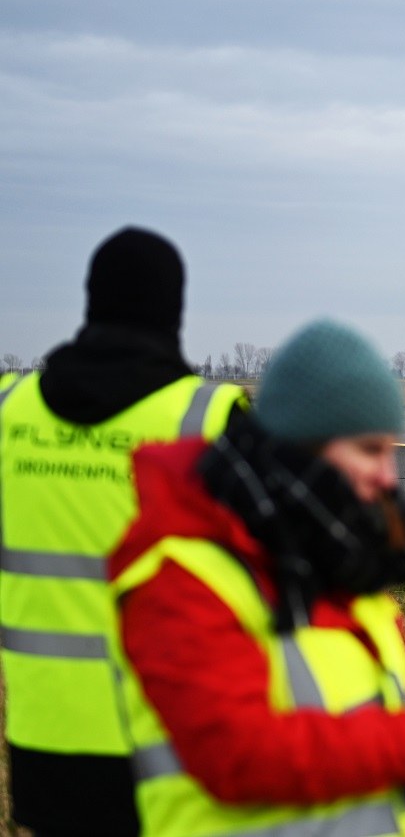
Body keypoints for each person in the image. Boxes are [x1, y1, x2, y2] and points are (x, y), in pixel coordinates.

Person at [108, 319, 405, 837]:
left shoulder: (333, 561)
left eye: (392, 450)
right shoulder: (184, 580)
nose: (389, 477)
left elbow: (364, 709)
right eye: (369, 450)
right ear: (300, 446)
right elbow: (235, 756)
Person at [0, 227, 246, 837]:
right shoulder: (207, 418)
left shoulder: (10, 411)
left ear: (91, 300)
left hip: (44, 735)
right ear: (174, 309)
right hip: (171, 733)